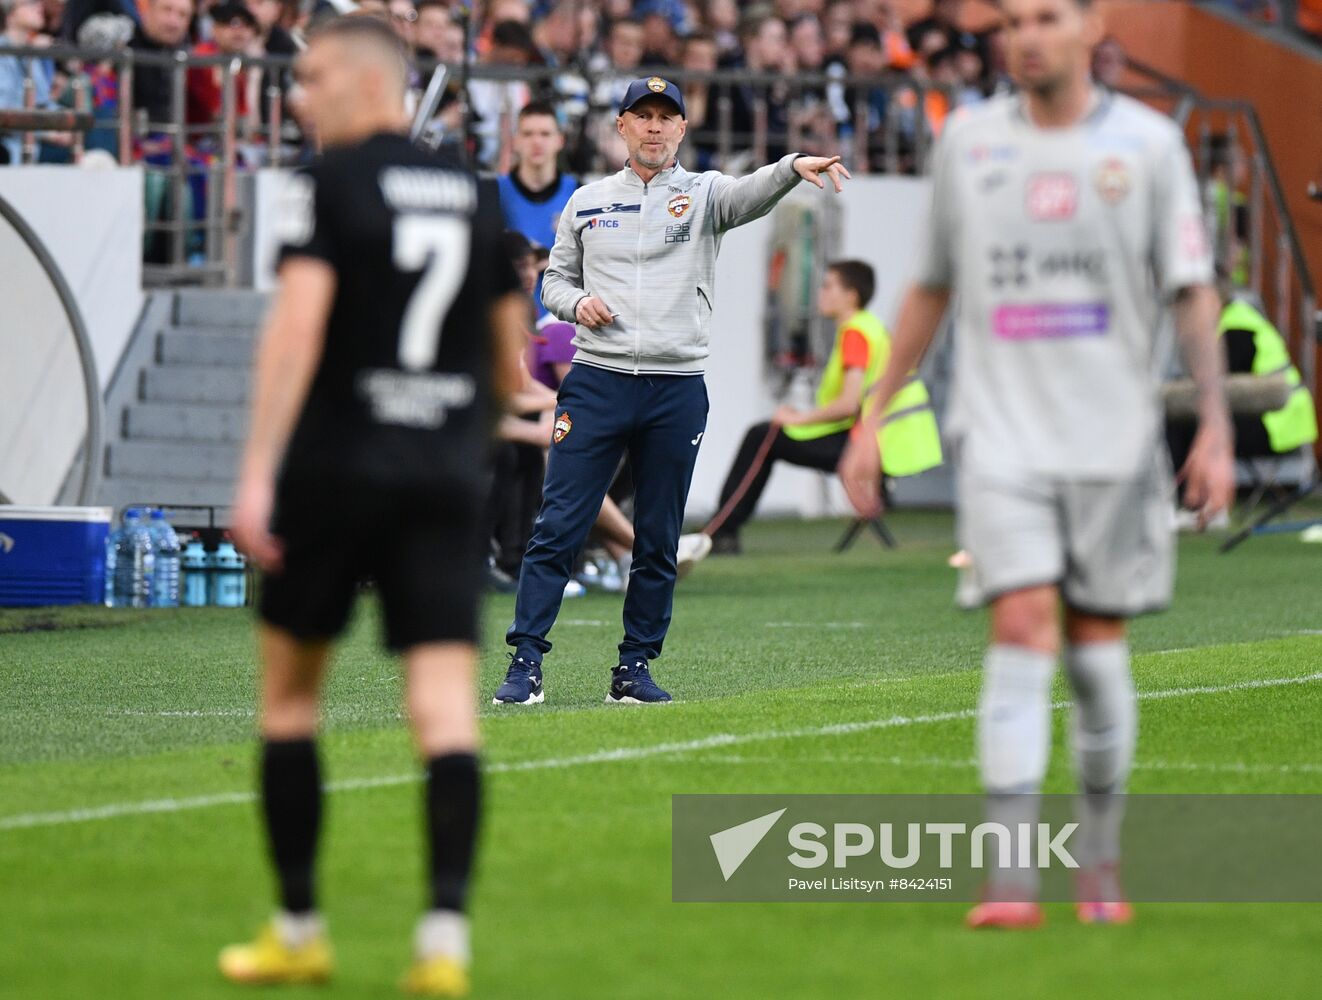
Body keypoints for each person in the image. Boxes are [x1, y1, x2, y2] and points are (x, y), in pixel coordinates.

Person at [839, 0, 1234, 930]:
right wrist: (874, 411)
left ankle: (1097, 858)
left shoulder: (1146, 148)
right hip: (1004, 440)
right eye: (1012, 19)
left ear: (1093, 26)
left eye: (1047, 16)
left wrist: (1213, 424)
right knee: (1020, 631)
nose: (1026, 35)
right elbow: (931, 285)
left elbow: (1192, 291)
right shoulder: (969, 143)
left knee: (1096, 656)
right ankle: (1010, 879)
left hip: (1112, 442)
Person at [221, 15, 525, 995]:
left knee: (290, 700)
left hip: (334, 467)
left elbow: (296, 327)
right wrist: (455, 435)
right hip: (440, 477)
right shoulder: (474, 195)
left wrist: (256, 469)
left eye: (309, 79)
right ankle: (444, 944)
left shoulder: (328, 183)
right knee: (442, 712)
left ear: (363, 79)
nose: (297, 97)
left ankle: (299, 927)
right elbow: (507, 348)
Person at [492, 75, 851, 706]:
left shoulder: (707, 194)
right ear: (622, 127)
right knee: (559, 525)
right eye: (643, 116)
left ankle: (633, 669)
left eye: (667, 117)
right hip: (597, 382)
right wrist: (578, 303)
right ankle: (525, 663)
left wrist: (793, 166)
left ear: (682, 129)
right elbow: (551, 283)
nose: (655, 127)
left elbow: (751, 193)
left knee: (657, 536)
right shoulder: (587, 201)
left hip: (675, 387)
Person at [709, 259, 940, 554]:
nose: (821, 293)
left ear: (851, 296)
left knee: (763, 435)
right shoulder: (872, 328)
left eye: (828, 286)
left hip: (867, 445)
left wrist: (796, 418)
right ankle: (724, 528)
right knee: (766, 434)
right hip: (890, 443)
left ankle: (721, 531)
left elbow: (848, 404)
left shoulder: (855, 334)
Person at [496, 100, 577, 311]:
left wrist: (553, 260)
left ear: (560, 140)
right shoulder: (493, 194)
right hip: (510, 319)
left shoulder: (579, 195)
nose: (537, 142)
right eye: (528, 134)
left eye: (545, 134)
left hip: (562, 321)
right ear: (515, 141)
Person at [187, 2, 259, 127]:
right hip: (197, 138)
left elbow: (247, 122)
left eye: (246, 25)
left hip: (221, 137)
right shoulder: (203, 56)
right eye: (232, 24)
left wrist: (255, 77)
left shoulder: (240, 61)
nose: (239, 32)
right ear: (214, 29)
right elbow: (217, 116)